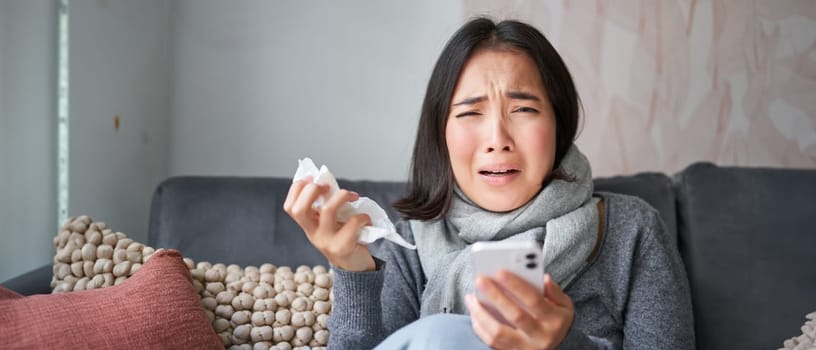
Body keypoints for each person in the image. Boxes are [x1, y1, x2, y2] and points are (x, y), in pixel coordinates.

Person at [283, 17, 695, 349]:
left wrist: (564, 345)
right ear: (441, 133)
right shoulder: (411, 243)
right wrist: (353, 268)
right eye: (470, 113)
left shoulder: (631, 230)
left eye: (524, 109)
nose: (498, 139)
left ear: (559, 124)